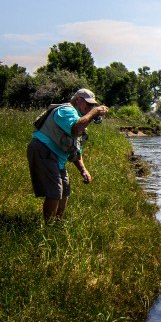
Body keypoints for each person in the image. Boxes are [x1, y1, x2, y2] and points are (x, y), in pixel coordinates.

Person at [27, 88, 109, 223]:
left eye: (93, 105)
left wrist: (83, 170)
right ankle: (48, 226)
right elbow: (75, 129)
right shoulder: (66, 111)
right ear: (78, 100)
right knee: (54, 191)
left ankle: (58, 223)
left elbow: (76, 150)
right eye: (88, 104)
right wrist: (93, 113)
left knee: (65, 190)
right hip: (43, 150)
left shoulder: (80, 118)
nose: (91, 107)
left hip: (57, 157)